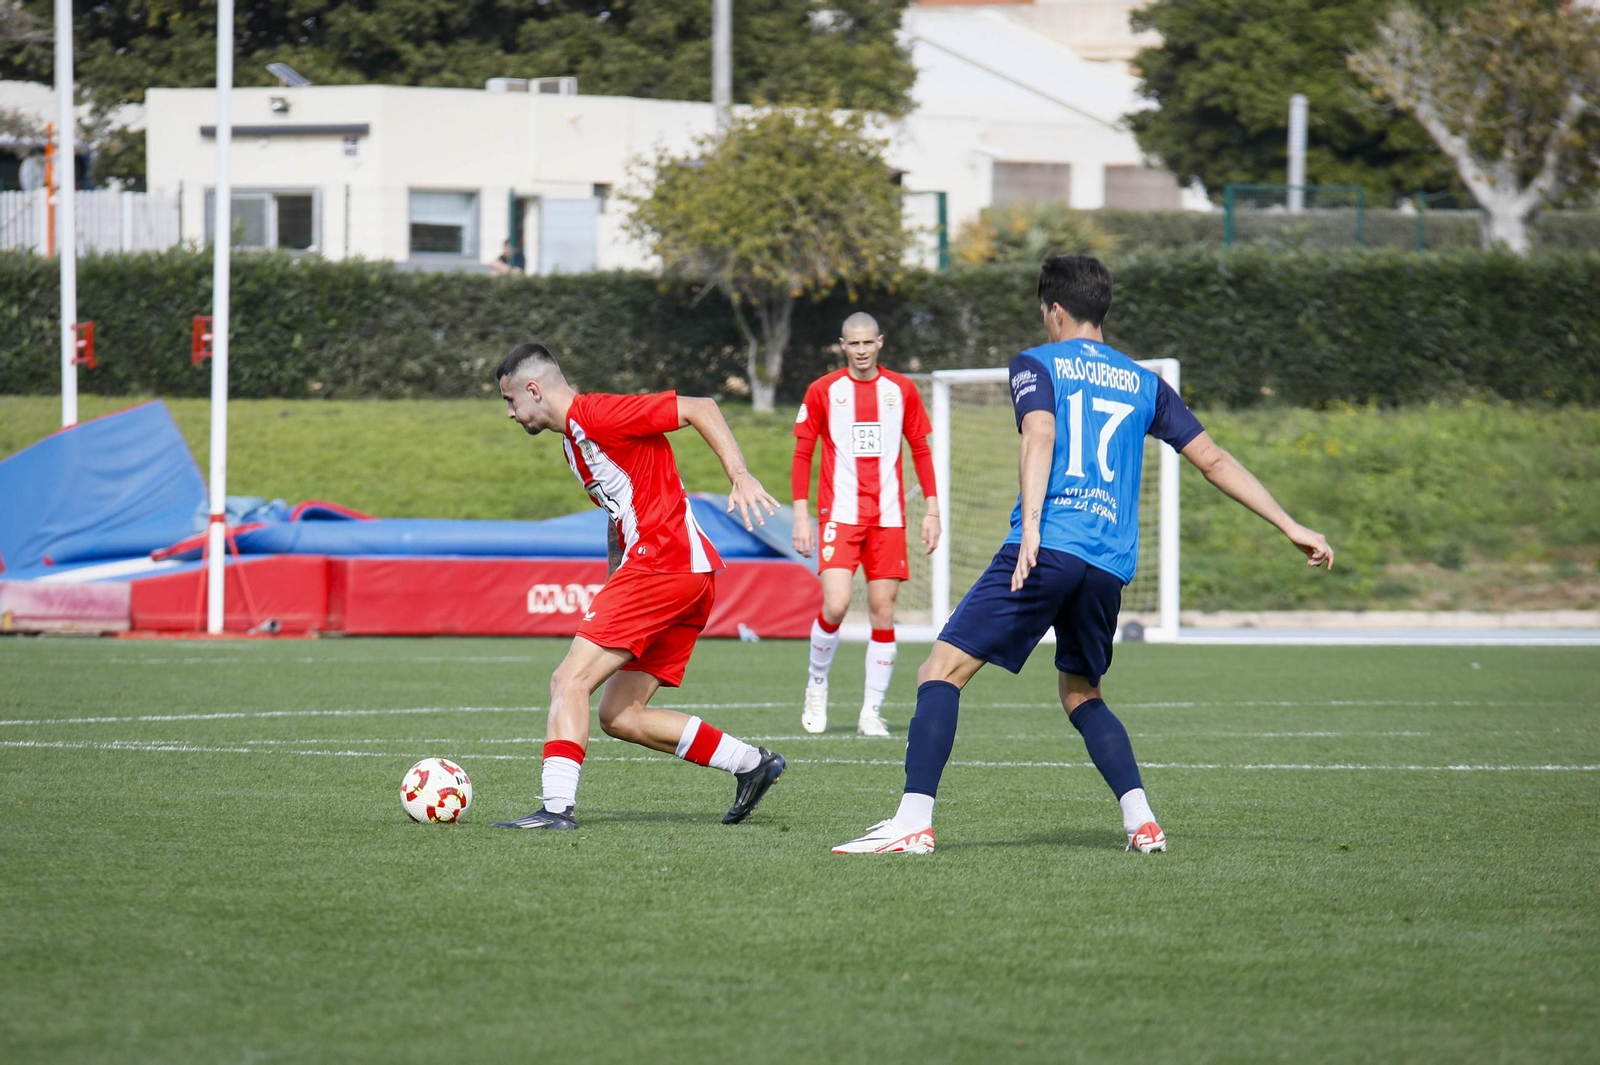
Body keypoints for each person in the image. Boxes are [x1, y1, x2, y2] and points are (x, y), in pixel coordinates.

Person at [832, 255, 1334, 855]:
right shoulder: (1145, 382)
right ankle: (1142, 821)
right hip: (1107, 564)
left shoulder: (1036, 363)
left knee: (939, 672)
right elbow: (1213, 459)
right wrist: (1289, 524)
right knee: (1080, 692)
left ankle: (913, 822)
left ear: (1055, 311)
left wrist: (1033, 528)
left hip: (1047, 544)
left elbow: (1040, 434)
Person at [491, 342, 787, 830]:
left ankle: (556, 809)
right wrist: (614, 579)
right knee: (620, 715)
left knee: (568, 682)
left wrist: (740, 475)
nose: (509, 413)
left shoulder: (599, 415)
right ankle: (751, 764)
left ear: (533, 389)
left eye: (509, 400)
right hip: (682, 574)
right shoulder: (574, 443)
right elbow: (618, 514)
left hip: (662, 565)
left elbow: (700, 407)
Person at [791, 312, 941, 737]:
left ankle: (870, 711)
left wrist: (932, 510)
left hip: (888, 519)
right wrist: (801, 515)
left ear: (880, 343)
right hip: (839, 515)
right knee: (837, 604)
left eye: (867, 343)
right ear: (843, 345)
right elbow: (802, 454)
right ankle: (817, 684)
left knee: (883, 610)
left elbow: (920, 450)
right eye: (853, 344)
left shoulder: (902, 389)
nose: (861, 350)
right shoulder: (824, 390)